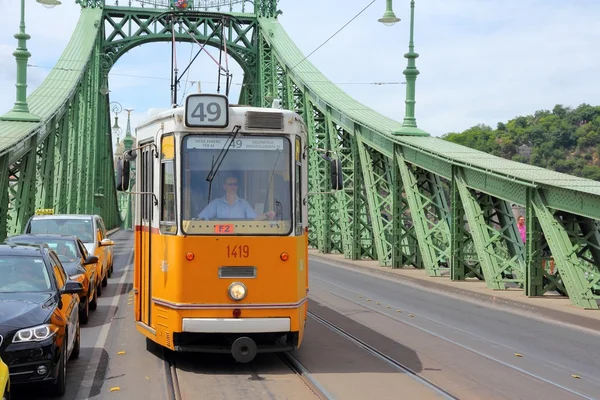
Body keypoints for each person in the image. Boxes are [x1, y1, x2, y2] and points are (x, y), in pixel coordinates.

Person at [197, 175, 276, 221]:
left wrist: (266, 215)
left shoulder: (244, 204)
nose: (233, 186)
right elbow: (201, 219)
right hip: (219, 240)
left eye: (235, 184)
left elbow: (255, 219)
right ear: (224, 186)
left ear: (237, 186)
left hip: (240, 239)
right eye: (230, 184)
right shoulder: (216, 203)